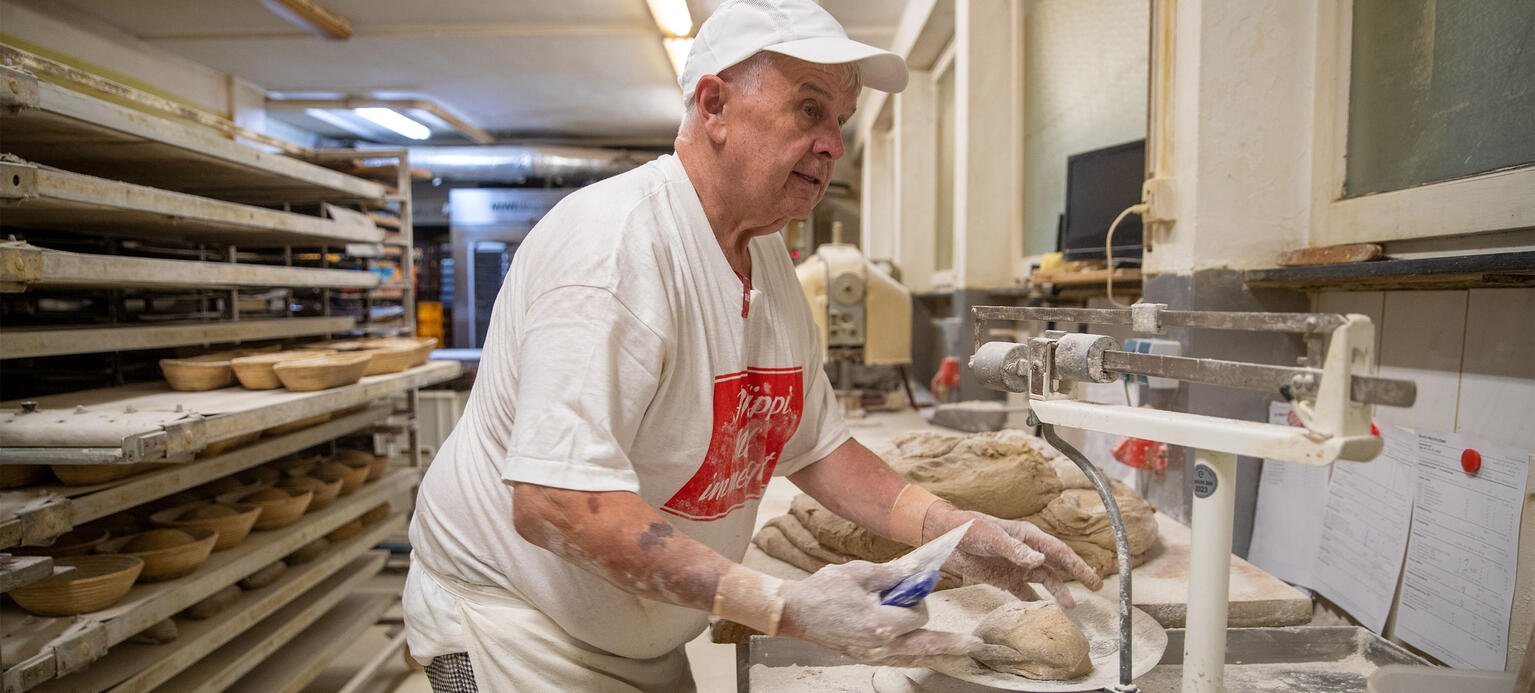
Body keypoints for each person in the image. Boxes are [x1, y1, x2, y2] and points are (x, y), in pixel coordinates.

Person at [403, 0, 1102, 690]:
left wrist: (955, 529)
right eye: (808, 109)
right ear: (713, 106)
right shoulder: (613, 251)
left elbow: (816, 446)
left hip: (636, 633)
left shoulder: (765, 255)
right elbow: (554, 501)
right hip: (516, 633)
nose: (832, 143)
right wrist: (783, 604)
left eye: (839, 121)